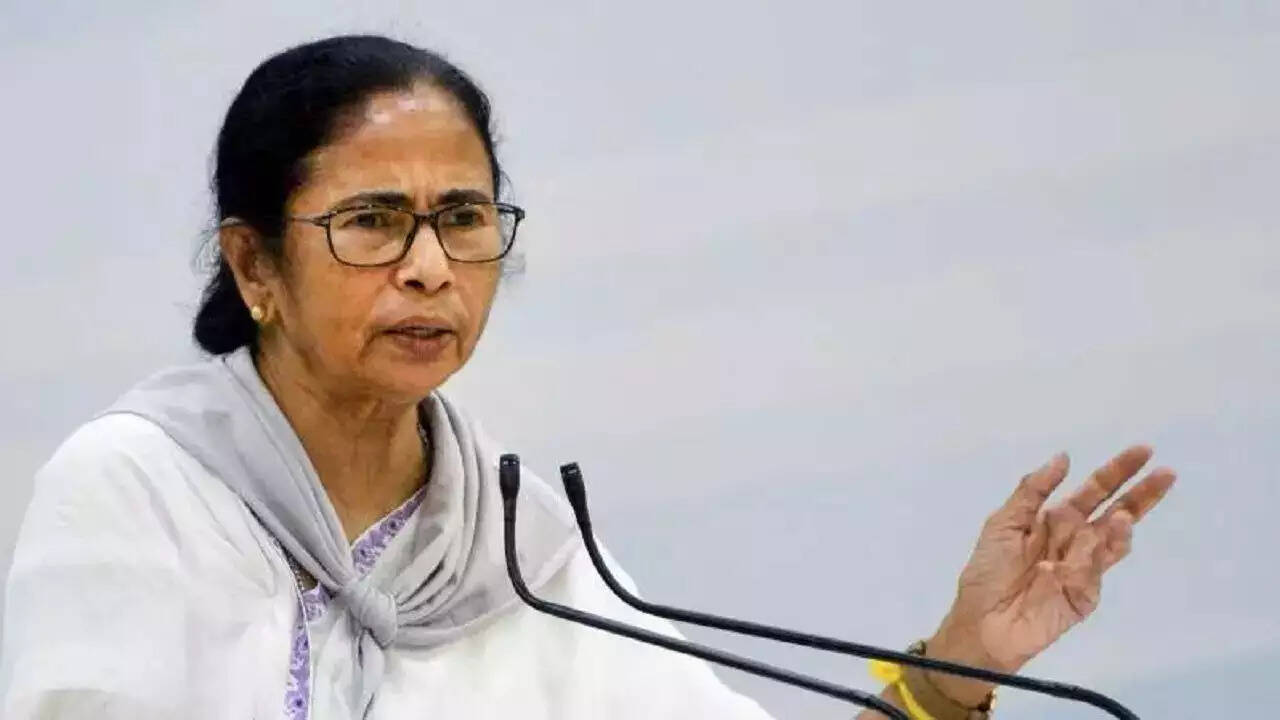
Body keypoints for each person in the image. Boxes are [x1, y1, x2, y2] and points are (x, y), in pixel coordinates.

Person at [0, 35, 1176, 720]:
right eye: (372, 222)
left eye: (462, 218)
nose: (428, 267)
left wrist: (955, 666)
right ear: (254, 263)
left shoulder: (520, 546)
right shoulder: (142, 487)